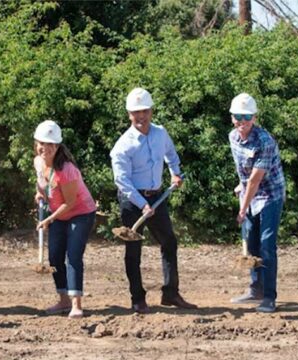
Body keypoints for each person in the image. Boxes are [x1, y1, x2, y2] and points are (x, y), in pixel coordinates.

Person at [110, 87, 197, 314]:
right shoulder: (122, 146)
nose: (141, 116)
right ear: (129, 114)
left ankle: (170, 293)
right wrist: (142, 204)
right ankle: (137, 299)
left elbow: (171, 154)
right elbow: (122, 181)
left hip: (157, 197)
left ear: (151, 111)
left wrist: (175, 173)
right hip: (132, 202)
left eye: (145, 111)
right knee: (133, 250)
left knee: (169, 242)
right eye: (136, 112)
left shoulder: (161, 133)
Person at [227, 93, 286, 313]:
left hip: (270, 194)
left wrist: (242, 209)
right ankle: (255, 288)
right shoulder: (233, 137)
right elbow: (243, 172)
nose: (242, 122)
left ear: (254, 117)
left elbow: (256, 179)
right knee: (251, 245)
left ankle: (269, 297)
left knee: (266, 245)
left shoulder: (265, 141)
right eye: (237, 117)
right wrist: (240, 187)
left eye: (246, 117)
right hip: (249, 193)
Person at [34, 121, 97, 319]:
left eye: (51, 144)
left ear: (58, 146)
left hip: (80, 213)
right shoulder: (38, 161)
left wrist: (48, 220)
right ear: (36, 144)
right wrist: (39, 193)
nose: (46, 148)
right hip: (59, 214)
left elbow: (69, 203)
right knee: (54, 257)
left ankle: (76, 304)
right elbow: (42, 183)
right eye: (42, 143)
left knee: (74, 255)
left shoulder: (67, 170)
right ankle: (63, 300)